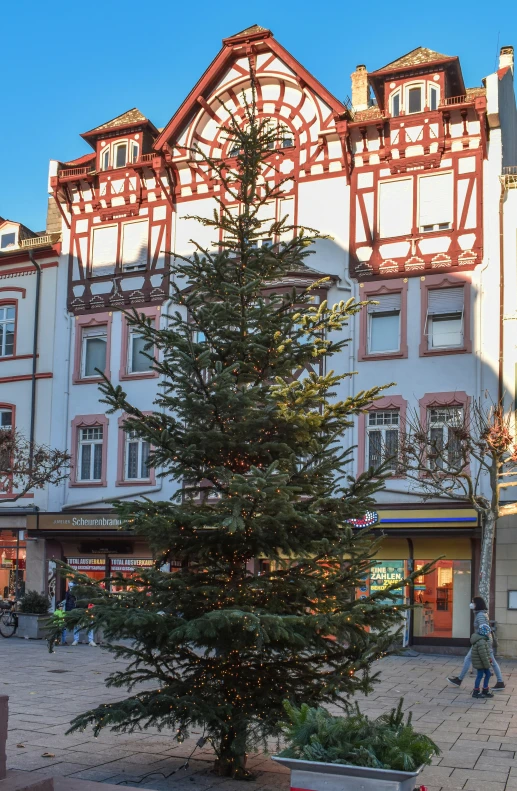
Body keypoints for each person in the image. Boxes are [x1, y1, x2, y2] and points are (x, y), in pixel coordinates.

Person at [447, 596, 505, 690]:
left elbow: (484, 630)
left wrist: (480, 641)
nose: (471, 604)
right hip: (482, 641)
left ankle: (500, 682)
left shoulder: (481, 615)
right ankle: (499, 681)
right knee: (472, 659)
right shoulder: (481, 614)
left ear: (477, 604)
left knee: (488, 661)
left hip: (482, 642)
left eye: (473, 602)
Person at [471, 623, 494, 698]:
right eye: (488, 632)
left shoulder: (483, 640)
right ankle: (476, 691)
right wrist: (488, 664)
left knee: (487, 674)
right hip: (481, 663)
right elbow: (483, 655)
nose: (489, 634)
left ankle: (485, 689)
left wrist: (489, 659)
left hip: (483, 662)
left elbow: (486, 653)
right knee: (480, 676)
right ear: (484, 632)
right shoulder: (481, 642)